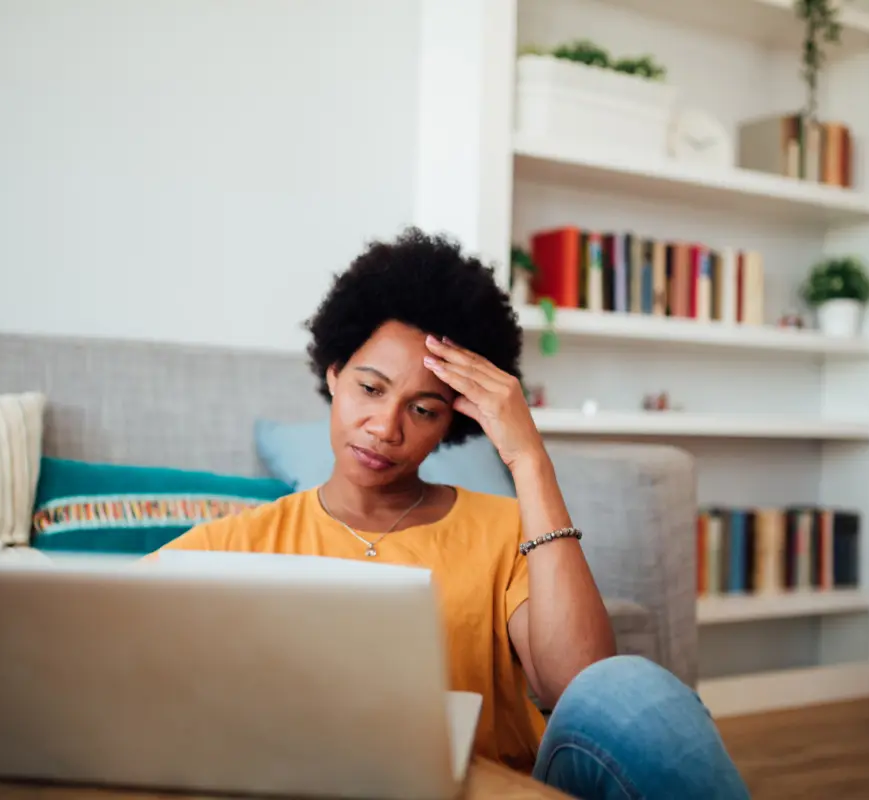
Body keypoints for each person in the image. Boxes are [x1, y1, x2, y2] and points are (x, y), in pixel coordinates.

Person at [153, 228, 751, 799]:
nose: (385, 428)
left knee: (630, 683)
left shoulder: (505, 531)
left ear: (452, 424)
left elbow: (580, 686)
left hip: (498, 789)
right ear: (334, 375)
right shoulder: (236, 542)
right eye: (370, 388)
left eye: (423, 409)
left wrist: (527, 457)